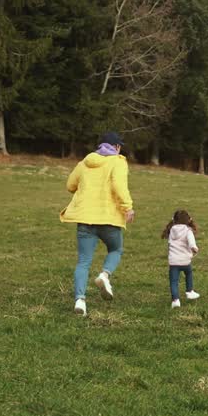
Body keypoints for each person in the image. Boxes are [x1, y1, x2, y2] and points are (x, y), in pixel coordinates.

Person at [59, 131, 135, 316]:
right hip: (108, 218)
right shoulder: (118, 161)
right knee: (116, 250)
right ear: (116, 147)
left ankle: (80, 301)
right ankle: (104, 275)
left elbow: (70, 185)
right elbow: (118, 185)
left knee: (83, 262)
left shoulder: (85, 162)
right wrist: (128, 207)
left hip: (85, 219)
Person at [162, 209, 201, 308]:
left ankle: (175, 300)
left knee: (174, 281)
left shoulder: (172, 230)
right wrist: (194, 249)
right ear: (188, 220)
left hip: (173, 261)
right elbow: (191, 243)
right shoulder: (188, 231)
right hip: (185, 261)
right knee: (188, 273)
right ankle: (189, 291)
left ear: (174, 220)